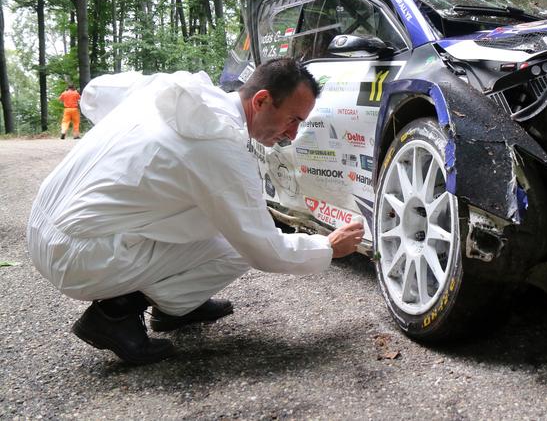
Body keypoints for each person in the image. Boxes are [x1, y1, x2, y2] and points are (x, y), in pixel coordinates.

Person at [27, 58, 364, 365]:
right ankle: (116, 314)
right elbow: (265, 250)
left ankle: (176, 307)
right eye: (293, 120)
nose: (292, 135)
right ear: (260, 100)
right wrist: (328, 248)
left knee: (220, 211)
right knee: (239, 241)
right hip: (75, 255)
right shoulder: (217, 142)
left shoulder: (175, 92)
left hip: (44, 224)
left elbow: (95, 93)